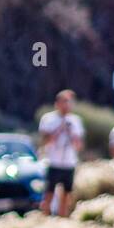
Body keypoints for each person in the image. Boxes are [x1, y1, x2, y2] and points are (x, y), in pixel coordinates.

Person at [38, 89, 84, 217]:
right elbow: (45, 141)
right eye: (64, 102)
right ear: (57, 103)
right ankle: (45, 218)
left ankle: (62, 218)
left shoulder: (75, 120)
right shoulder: (48, 119)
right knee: (49, 194)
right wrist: (60, 128)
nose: (67, 105)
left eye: (69, 102)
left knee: (67, 194)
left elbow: (79, 145)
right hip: (53, 162)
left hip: (69, 162)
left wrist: (71, 133)